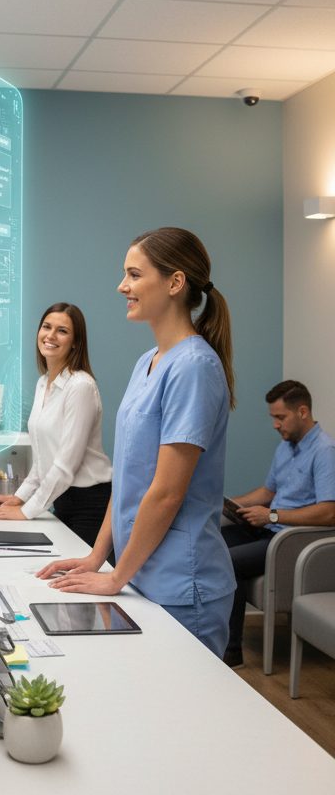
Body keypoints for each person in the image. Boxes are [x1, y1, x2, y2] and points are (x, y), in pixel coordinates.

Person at [36, 227, 238, 659]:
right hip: (139, 573)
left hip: (182, 583)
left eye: (133, 274)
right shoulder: (148, 361)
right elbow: (128, 478)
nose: (122, 286)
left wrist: (114, 577)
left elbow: (166, 493)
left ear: (174, 282)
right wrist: (97, 558)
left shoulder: (195, 367)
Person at [222, 380, 335, 668]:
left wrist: (272, 516)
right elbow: (267, 493)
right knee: (211, 542)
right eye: (273, 417)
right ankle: (207, 632)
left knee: (228, 561)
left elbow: (329, 512)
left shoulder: (325, 451)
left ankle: (231, 650)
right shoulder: (286, 446)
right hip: (269, 530)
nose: (275, 424)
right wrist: (228, 504)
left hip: (292, 541)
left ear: (302, 411)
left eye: (280, 417)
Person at [0, 302, 111, 549]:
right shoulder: (44, 383)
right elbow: (43, 461)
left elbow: (65, 466)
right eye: (46, 327)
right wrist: (18, 498)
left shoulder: (80, 387)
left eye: (62, 331)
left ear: (76, 342)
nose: (51, 335)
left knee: (71, 580)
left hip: (90, 505)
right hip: (61, 499)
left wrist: (26, 511)